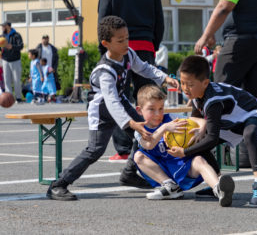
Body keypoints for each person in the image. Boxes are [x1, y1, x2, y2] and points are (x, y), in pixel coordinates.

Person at [46, 16, 178, 201]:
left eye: (127, 38)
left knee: (144, 135)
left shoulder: (128, 54)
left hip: (120, 102)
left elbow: (145, 68)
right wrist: (130, 123)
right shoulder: (104, 71)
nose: (126, 43)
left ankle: (130, 173)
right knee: (95, 150)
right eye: (120, 40)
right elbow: (110, 101)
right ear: (106, 43)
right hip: (102, 109)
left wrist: (164, 78)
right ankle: (58, 185)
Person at [168, 55, 257, 207]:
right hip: (231, 121)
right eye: (182, 83)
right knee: (198, 142)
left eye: (190, 84)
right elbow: (197, 121)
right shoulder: (197, 96)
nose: (185, 88)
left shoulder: (213, 101)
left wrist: (184, 151)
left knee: (249, 135)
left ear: (205, 83)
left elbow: (212, 138)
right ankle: (218, 184)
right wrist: (198, 130)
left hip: (253, 113)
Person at [97, 0, 164, 175]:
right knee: (149, 101)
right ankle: (153, 143)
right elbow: (159, 20)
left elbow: (103, 19)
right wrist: (153, 46)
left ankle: (124, 148)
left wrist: (103, 51)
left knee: (119, 97)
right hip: (145, 47)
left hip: (119, 48)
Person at [132, 85, 235, 206]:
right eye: (151, 109)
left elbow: (199, 120)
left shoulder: (171, 118)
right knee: (138, 156)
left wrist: (201, 129)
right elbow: (149, 145)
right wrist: (164, 128)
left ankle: (218, 189)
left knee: (199, 160)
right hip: (162, 170)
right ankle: (170, 186)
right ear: (139, 110)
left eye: (161, 108)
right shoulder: (140, 130)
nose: (157, 114)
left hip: (181, 165)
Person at [1, 22, 24, 103]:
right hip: (5, 60)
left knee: (16, 80)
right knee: (6, 80)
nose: (2, 27)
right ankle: (9, 99)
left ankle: (18, 98)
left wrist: (12, 47)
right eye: (2, 26)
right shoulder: (2, 36)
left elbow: (21, 46)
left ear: (9, 26)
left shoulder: (16, 35)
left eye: (4, 26)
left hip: (15, 60)